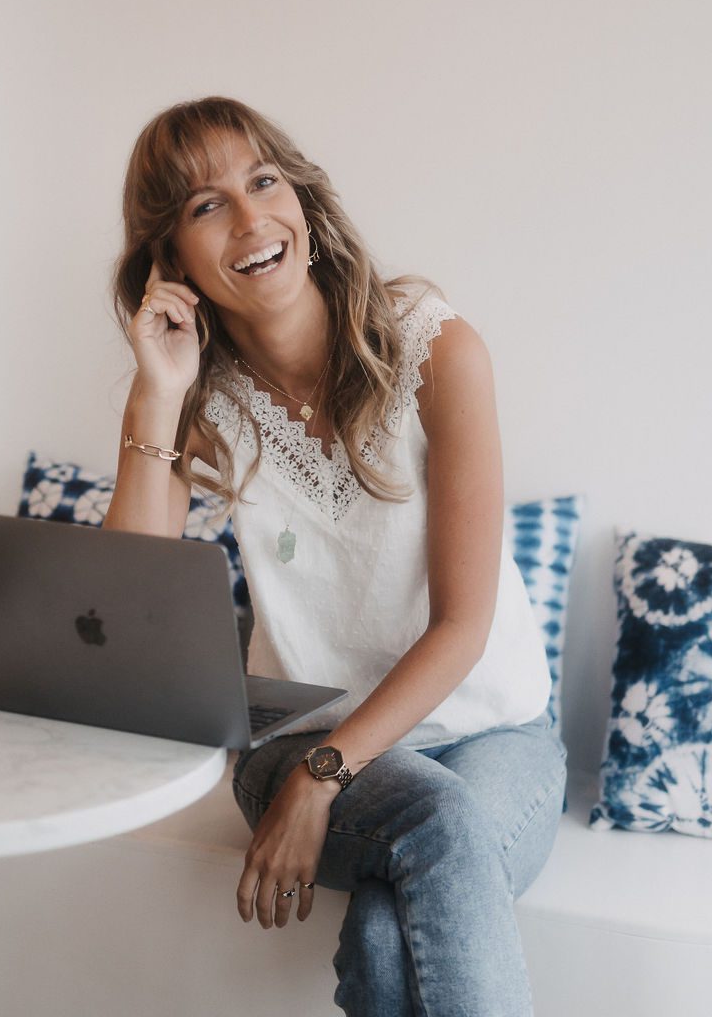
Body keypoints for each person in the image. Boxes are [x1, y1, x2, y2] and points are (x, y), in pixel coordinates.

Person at [103, 96, 567, 1017]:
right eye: (205, 207)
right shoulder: (201, 398)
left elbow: (464, 626)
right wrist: (157, 395)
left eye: (263, 182)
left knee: (390, 930)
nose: (249, 219)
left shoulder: (436, 349)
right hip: (294, 737)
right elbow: (128, 611)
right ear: (173, 262)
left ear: (304, 205)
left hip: (492, 736)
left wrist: (326, 783)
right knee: (435, 822)